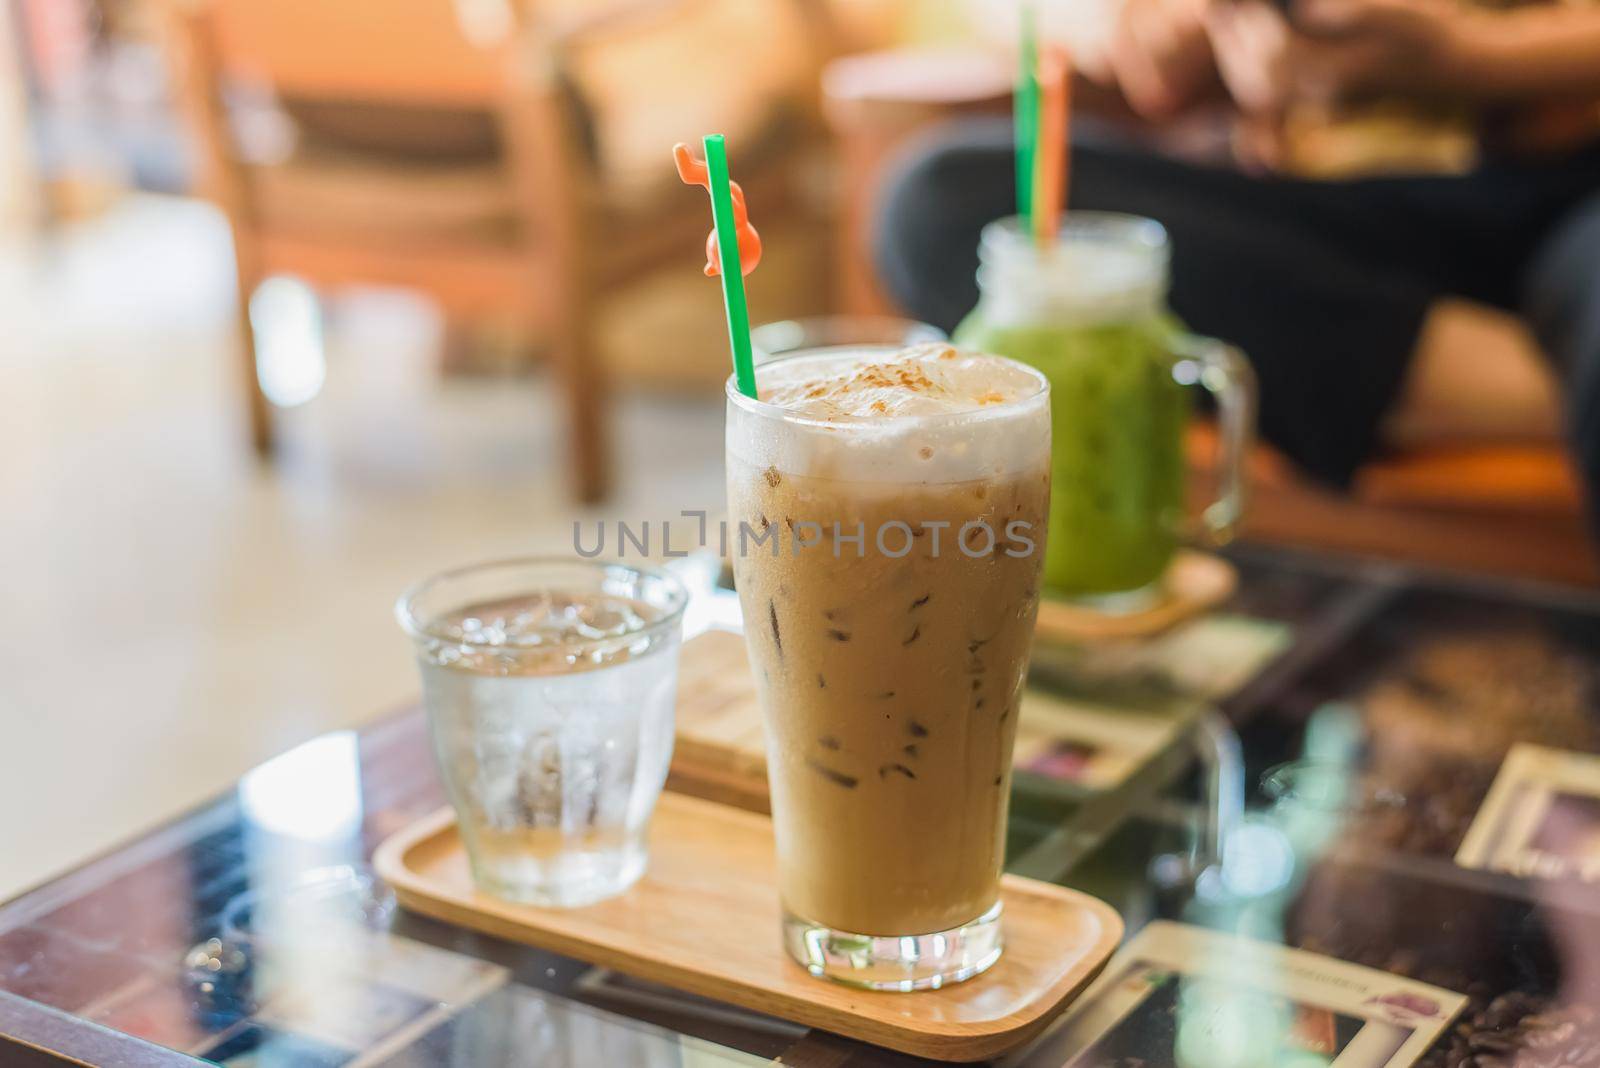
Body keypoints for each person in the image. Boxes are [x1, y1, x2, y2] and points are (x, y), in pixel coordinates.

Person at [875, 0, 1600, 527]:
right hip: (1309, 212)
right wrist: (1144, 23)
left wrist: (1477, 59)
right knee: (944, 200)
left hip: (1571, 181)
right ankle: (1556, 373)